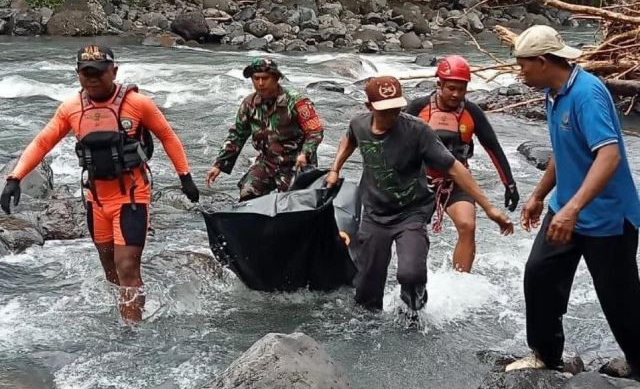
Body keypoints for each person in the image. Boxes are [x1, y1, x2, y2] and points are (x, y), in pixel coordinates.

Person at [0, 45, 199, 323]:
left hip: (132, 197)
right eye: (86, 73)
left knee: (127, 266)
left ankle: (132, 330)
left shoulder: (138, 104)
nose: (92, 79)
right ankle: (123, 313)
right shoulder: (71, 108)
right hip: (96, 200)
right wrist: (14, 178)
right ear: (78, 74)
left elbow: (168, 136)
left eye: (99, 73)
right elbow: (43, 142)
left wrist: (185, 177)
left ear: (114, 72)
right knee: (109, 267)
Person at [505, 25, 640, 375]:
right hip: (565, 207)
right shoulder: (552, 93)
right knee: (540, 274)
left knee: (619, 299)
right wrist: (538, 195)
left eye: (524, 65)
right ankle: (546, 354)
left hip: (608, 217)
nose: (520, 72)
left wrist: (573, 209)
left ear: (543, 61)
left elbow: (609, 156)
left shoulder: (587, 94)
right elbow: (564, 154)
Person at [325, 76, 513, 316]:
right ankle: (368, 330)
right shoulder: (359, 123)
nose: (392, 115)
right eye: (385, 110)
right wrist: (335, 169)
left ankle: (414, 313)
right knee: (367, 288)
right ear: (369, 107)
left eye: (396, 108)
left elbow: (454, 167)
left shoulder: (417, 130)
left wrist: (489, 208)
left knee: (411, 275)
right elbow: (349, 139)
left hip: (411, 212)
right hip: (374, 212)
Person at [405, 55, 519, 272]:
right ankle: (413, 276)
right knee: (413, 232)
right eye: (451, 88)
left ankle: (460, 282)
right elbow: (395, 144)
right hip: (420, 182)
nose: (456, 94)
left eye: (462, 89)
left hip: (456, 182)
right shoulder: (418, 107)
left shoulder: (472, 112)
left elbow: (492, 147)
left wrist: (509, 183)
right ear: (439, 84)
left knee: (467, 225)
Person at [206, 57, 324, 200]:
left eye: (265, 78)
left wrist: (305, 153)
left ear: (276, 78)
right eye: (256, 79)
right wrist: (219, 165)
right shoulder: (249, 103)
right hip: (267, 162)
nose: (260, 83)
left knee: (293, 203)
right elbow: (237, 135)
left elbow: (315, 131)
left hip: (296, 163)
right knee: (247, 192)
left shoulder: (297, 102)